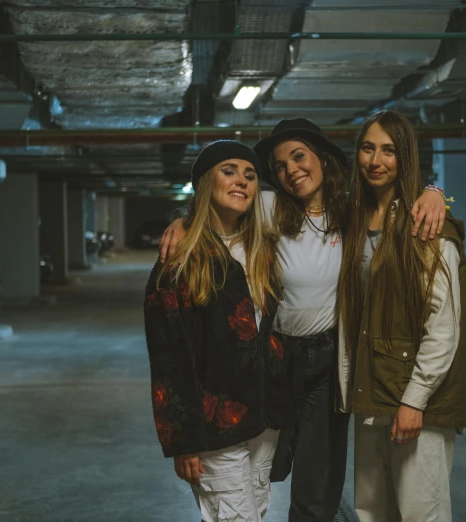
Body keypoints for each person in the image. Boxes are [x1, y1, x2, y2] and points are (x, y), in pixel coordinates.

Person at [160, 118, 448, 522]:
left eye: (299, 157)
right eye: (279, 166)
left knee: (319, 480)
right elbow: (220, 207)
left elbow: (399, 197)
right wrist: (182, 221)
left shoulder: (352, 209)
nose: (291, 170)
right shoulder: (268, 207)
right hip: (275, 357)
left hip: (329, 360)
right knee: (259, 469)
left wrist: (434, 192)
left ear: (322, 160)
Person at [144, 140, 292, 522]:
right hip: (214, 426)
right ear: (206, 182)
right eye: (229, 171)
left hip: (263, 417)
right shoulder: (179, 261)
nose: (241, 181)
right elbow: (169, 359)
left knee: (255, 512)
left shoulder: (263, 249)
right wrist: (183, 440)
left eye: (250, 174)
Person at [337, 111, 466, 522]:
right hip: (372, 389)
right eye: (367, 148)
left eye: (389, 150)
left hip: (415, 398)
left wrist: (414, 401)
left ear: (405, 158)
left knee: (420, 512)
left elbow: (443, 328)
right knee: (372, 511)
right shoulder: (355, 220)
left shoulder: (428, 225)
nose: (376, 160)